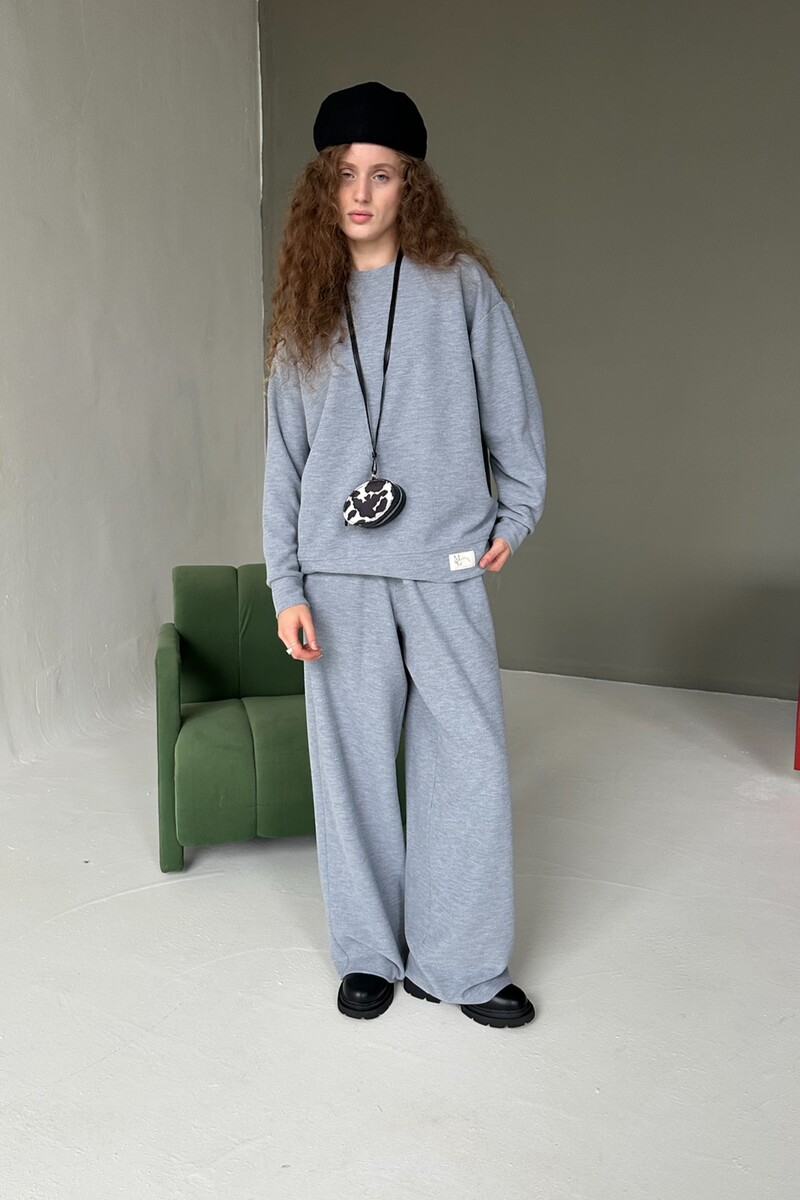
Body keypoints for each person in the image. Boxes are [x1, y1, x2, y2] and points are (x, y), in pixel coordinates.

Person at [262, 81, 546, 1028]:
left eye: (382, 175)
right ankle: (369, 956)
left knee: (467, 760)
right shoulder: (307, 302)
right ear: (322, 184)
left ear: (410, 186)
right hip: (336, 574)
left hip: (442, 564)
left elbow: (512, 405)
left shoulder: (458, 285)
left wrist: (517, 511)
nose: (361, 193)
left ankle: (460, 964)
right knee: (349, 769)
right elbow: (286, 458)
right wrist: (286, 583)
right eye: (345, 174)